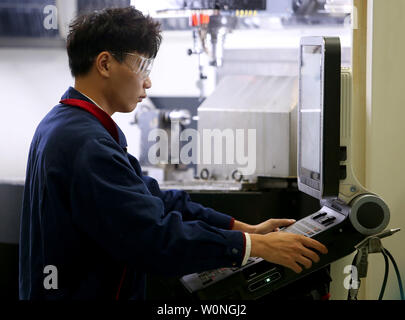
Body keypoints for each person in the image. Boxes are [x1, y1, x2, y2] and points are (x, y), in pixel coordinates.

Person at [19, 7, 327, 300]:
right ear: (105, 64)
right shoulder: (86, 143)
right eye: (141, 66)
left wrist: (241, 229)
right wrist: (254, 246)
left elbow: (153, 199)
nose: (147, 81)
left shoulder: (68, 123)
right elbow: (154, 239)